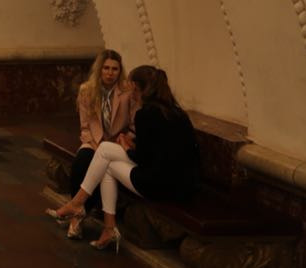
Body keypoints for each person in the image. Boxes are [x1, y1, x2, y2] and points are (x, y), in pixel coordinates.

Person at [46, 65, 201, 252]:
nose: (130, 92)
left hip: (160, 185)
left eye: (131, 87)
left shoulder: (146, 114)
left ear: (138, 88)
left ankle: (81, 207)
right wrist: (131, 145)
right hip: (184, 184)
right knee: (106, 155)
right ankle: (99, 222)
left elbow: (143, 159)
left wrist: (127, 147)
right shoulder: (177, 112)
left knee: (106, 159)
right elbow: (158, 150)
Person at [62, 49, 138, 239]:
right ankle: (77, 215)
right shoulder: (87, 91)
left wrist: (124, 139)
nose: (110, 73)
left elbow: (133, 126)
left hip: (117, 143)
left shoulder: (127, 93)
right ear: (99, 69)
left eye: (114, 69)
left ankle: (77, 213)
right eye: (106, 68)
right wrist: (95, 146)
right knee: (81, 161)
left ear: (120, 71)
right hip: (94, 142)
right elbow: (85, 127)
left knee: (101, 166)